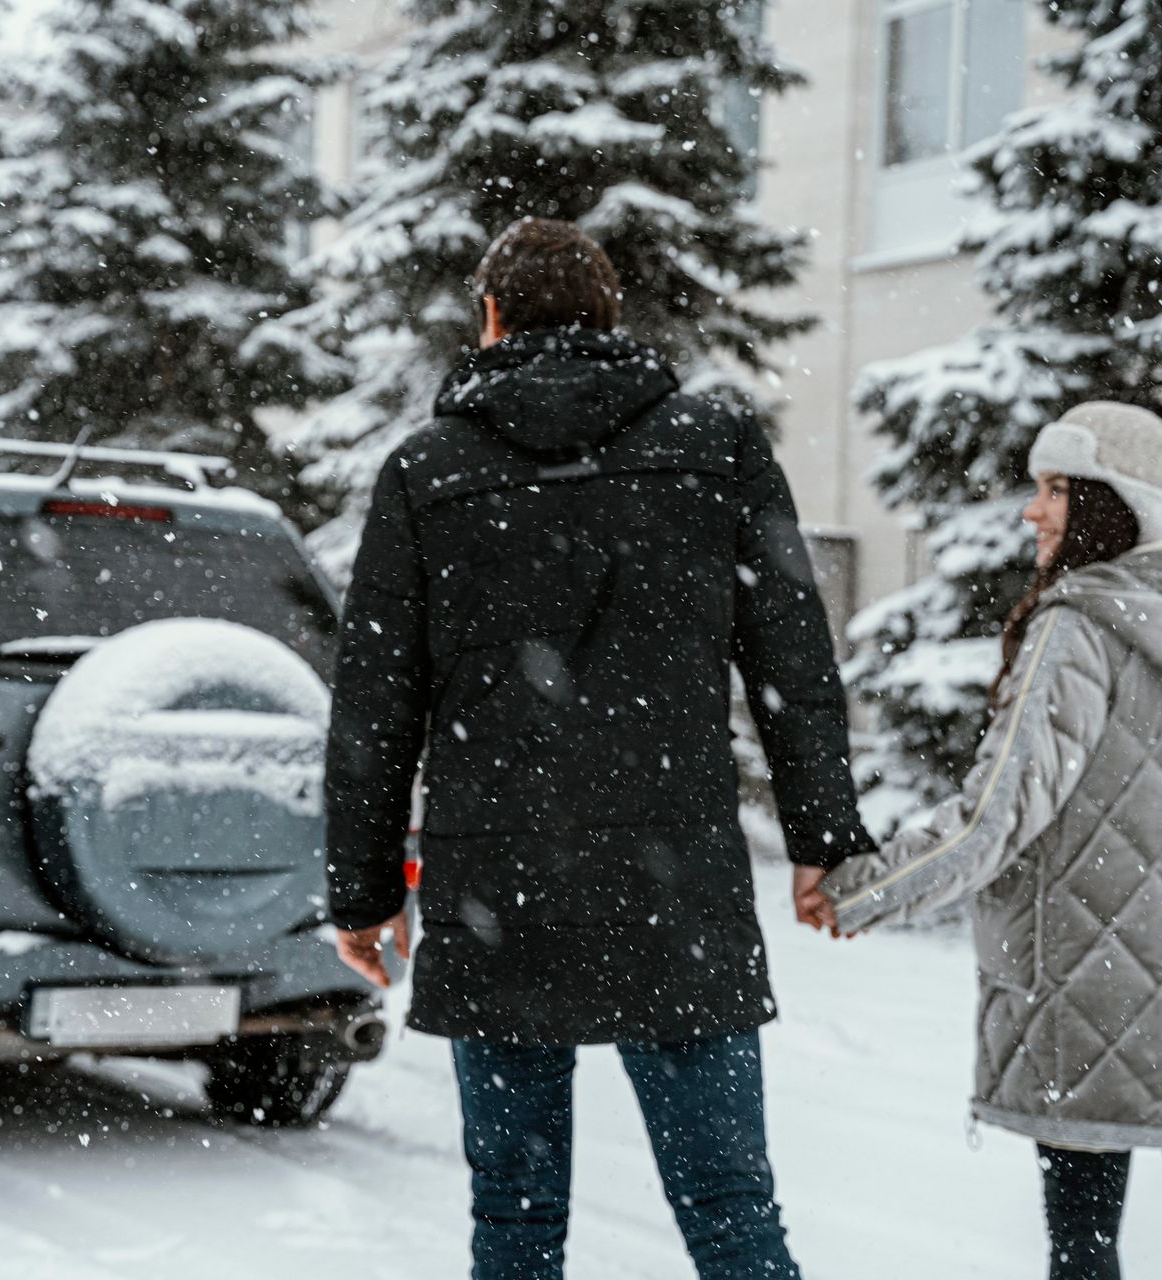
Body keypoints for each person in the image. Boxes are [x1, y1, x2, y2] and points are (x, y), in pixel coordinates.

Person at [324, 216, 876, 1280]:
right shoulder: (715, 445)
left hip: (501, 886)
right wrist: (825, 832)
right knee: (731, 1211)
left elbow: (374, 704)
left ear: (489, 318)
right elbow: (794, 662)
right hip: (675, 888)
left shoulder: (427, 471)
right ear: (610, 315)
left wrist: (362, 887)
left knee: (517, 1225)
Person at [804, 402, 1162, 1280]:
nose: (1032, 511)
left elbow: (995, 815)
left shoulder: (1080, 625)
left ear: (1120, 503)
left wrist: (860, 888)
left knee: (1083, 1249)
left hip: (1094, 991)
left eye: (1056, 488)